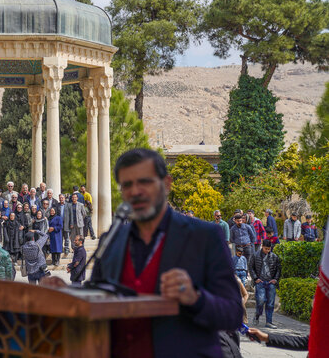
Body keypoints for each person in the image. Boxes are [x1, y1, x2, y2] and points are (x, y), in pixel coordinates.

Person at [89, 148, 243, 357]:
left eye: (145, 182)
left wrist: (195, 298)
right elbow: (96, 296)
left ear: (167, 184)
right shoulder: (112, 239)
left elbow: (233, 314)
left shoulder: (205, 236)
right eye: (127, 185)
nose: (136, 191)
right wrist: (62, 296)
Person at [248, 239, 282, 328]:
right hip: (260, 282)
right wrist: (255, 278)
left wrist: (275, 279)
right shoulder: (255, 255)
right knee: (260, 301)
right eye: (266, 248)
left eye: (269, 249)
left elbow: (278, 269)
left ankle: (269, 322)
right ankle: (257, 315)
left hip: (270, 282)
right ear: (262, 247)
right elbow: (251, 267)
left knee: (270, 303)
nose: (268, 250)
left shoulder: (274, 257)